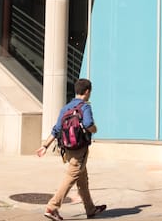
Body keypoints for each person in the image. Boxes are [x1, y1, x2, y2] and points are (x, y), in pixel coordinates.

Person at [37, 77, 105, 221]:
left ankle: (90, 209)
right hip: (80, 148)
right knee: (71, 177)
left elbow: (56, 129)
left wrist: (45, 146)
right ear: (87, 92)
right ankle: (52, 207)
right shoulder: (85, 106)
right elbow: (88, 123)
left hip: (68, 148)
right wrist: (95, 129)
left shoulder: (65, 108)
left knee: (82, 179)